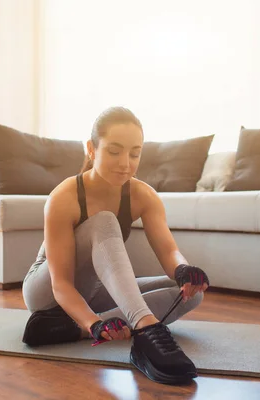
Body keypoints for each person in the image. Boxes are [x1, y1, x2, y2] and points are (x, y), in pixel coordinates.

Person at [21, 106, 210, 385]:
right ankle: (146, 331)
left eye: (134, 153)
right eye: (114, 151)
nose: (125, 163)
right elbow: (60, 283)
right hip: (47, 290)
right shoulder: (64, 197)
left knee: (190, 294)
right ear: (91, 149)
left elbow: (168, 250)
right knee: (104, 220)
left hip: (93, 289)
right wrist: (94, 321)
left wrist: (183, 270)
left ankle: (72, 329)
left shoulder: (144, 195)